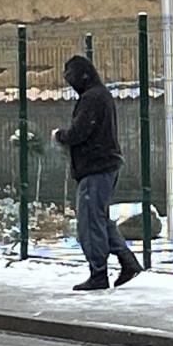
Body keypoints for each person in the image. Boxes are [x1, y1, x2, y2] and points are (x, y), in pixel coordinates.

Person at [52, 55, 142, 292]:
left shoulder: (92, 98)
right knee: (99, 219)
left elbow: (80, 132)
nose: (69, 81)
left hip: (95, 168)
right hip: (102, 167)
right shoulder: (98, 95)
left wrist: (61, 136)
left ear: (82, 75)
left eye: (70, 76)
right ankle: (127, 261)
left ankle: (98, 273)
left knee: (90, 222)